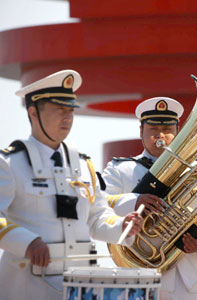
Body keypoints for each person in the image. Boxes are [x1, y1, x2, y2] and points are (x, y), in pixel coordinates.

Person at [0, 70, 143, 300]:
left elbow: (97, 218)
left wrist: (123, 225)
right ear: (33, 112)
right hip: (28, 288)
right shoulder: (8, 163)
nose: (67, 118)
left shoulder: (84, 165)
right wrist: (27, 241)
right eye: (59, 110)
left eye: (70, 110)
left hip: (79, 286)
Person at [101, 97, 197, 300]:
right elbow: (99, 204)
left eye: (167, 128)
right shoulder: (121, 169)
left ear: (178, 132)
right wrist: (135, 201)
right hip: (141, 278)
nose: (160, 135)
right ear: (141, 132)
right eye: (152, 128)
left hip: (192, 282)